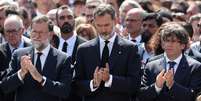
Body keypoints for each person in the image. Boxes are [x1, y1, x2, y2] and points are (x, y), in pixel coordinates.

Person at [74, 4, 141, 101]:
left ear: (115, 21)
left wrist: (110, 79)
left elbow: (135, 84)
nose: (103, 30)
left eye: (107, 25)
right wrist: (93, 83)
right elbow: (76, 84)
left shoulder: (130, 48)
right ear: (94, 23)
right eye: (99, 25)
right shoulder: (83, 49)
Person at [0, 15, 72, 101]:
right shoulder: (18, 55)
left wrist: (41, 79)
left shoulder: (63, 58)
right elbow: (5, 87)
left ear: (50, 35)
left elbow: (65, 91)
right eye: (34, 32)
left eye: (41, 32)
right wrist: (21, 73)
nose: (37, 36)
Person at [138, 22, 201, 101]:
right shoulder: (151, 65)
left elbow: (194, 96)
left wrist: (172, 85)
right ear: (162, 44)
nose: (169, 44)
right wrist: (156, 87)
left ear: (183, 45)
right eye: (166, 41)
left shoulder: (195, 67)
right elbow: (141, 95)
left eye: (173, 41)